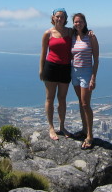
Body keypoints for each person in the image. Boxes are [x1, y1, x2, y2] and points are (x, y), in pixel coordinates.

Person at [39, 8, 73, 140]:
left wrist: (90, 32)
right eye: (57, 16)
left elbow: (82, 32)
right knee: (49, 98)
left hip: (65, 68)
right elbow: (43, 53)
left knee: (62, 99)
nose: (59, 19)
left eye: (62, 17)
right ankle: (51, 127)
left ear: (65, 19)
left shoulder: (70, 32)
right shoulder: (48, 33)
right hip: (51, 67)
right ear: (53, 17)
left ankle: (62, 126)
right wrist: (41, 69)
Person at [71, 13, 99, 149]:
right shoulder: (72, 37)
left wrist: (93, 77)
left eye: (80, 21)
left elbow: (96, 59)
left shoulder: (91, 37)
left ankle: (89, 135)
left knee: (85, 104)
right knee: (81, 103)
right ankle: (83, 130)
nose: (78, 24)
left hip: (86, 73)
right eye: (76, 22)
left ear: (84, 22)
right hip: (74, 72)